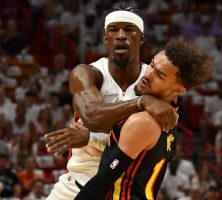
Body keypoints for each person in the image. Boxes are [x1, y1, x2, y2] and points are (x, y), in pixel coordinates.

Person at [45, 4, 178, 200]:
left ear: (141, 38)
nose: (121, 35)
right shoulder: (86, 73)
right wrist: (142, 102)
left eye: (129, 30)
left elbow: (160, 145)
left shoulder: (155, 81)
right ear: (105, 37)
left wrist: (91, 138)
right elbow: (93, 117)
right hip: (78, 186)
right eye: (113, 30)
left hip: (126, 191)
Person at [74, 37, 213, 199]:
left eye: (160, 75)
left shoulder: (144, 122)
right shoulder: (172, 117)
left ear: (178, 90)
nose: (148, 74)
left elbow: (104, 180)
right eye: (152, 65)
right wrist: (92, 138)